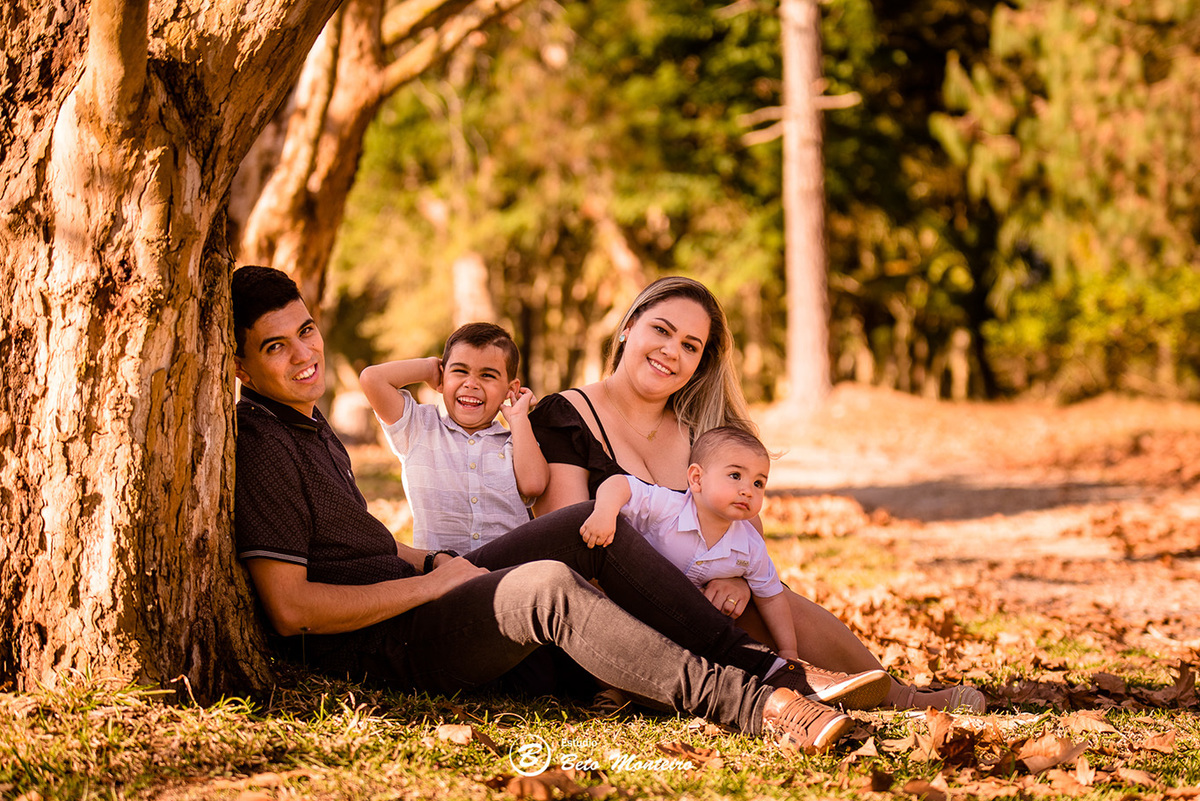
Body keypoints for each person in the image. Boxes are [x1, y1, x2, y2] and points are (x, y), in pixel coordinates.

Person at [230, 265, 893, 756]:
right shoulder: (262, 443)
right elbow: (292, 609)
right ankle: (760, 705)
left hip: (413, 591)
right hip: (382, 642)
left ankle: (769, 665)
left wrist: (432, 559)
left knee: (582, 529)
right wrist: (431, 583)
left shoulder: (308, 425)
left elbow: (359, 543)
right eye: (275, 347)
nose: (304, 354)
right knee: (545, 586)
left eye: (306, 331)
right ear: (235, 362)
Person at [529, 276, 986, 714]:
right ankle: (786, 684)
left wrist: (738, 579)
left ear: (700, 364)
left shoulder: (698, 432)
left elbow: (748, 528)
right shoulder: (566, 416)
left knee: (770, 600)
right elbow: (571, 539)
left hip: (700, 605)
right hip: (608, 619)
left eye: (690, 346)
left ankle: (899, 698)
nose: (672, 351)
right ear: (628, 328)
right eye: (661, 330)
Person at [580, 426, 799, 661]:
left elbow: (772, 597)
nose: (747, 491)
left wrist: (788, 650)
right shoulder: (668, 508)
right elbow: (620, 484)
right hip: (629, 612)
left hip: (687, 634)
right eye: (735, 476)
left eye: (758, 483)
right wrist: (605, 512)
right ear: (697, 479)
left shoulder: (750, 548)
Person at [358, 322, 547, 553]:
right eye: (460, 371)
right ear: (442, 377)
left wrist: (519, 418)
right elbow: (371, 379)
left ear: (511, 389)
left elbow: (534, 484)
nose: (471, 383)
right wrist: (429, 369)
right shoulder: (419, 427)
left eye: (487, 375)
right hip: (441, 575)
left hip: (505, 574)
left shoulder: (514, 440)